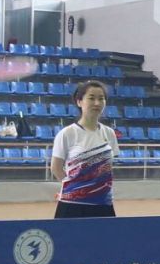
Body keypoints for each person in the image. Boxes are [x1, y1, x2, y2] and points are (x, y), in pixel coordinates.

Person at [50, 80, 120, 219]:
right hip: (72, 206)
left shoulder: (109, 133)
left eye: (101, 99)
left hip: (103, 204)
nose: (97, 103)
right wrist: (76, 189)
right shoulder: (67, 133)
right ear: (79, 102)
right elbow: (56, 168)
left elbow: (108, 168)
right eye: (91, 98)